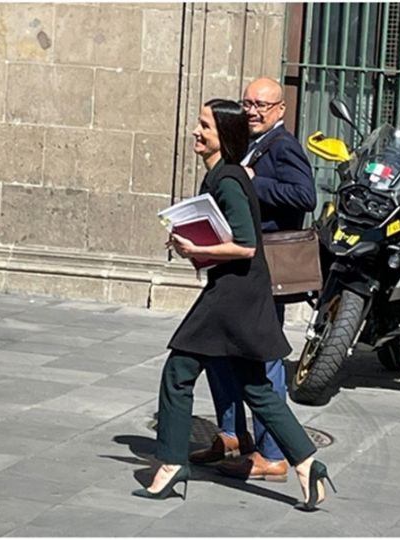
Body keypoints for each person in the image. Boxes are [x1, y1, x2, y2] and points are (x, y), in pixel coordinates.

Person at [132, 99, 333, 510]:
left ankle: (171, 464)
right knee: (255, 388)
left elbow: (245, 244)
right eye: (198, 123)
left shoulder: (225, 179)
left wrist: (194, 246)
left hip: (232, 296)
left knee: (178, 372)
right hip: (239, 292)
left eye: (204, 125)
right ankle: (306, 463)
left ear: (223, 135)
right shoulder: (224, 177)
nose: (195, 131)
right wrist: (194, 248)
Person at [190, 77, 317, 483]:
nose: (253, 111)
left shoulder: (284, 147)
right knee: (218, 351)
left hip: (264, 271)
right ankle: (230, 434)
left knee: (262, 359)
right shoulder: (248, 143)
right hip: (233, 269)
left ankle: (273, 452)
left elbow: (304, 195)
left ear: (280, 109)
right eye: (247, 103)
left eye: (263, 105)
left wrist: (250, 180)